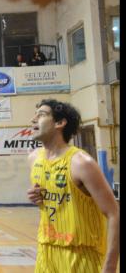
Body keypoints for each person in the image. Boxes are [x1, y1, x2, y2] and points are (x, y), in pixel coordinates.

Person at [27, 99, 119, 273]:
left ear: (60, 123)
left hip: (81, 257)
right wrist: (36, 196)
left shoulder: (82, 163)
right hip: (46, 252)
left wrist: (110, 266)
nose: (33, 119)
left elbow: (114, 213)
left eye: (41, 115)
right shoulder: (33, 159)